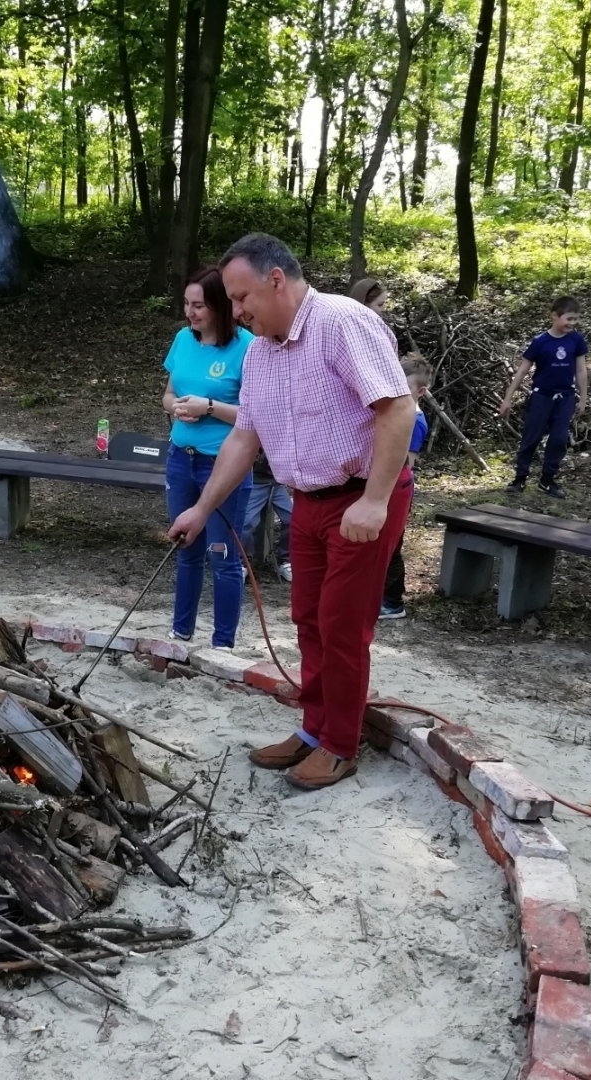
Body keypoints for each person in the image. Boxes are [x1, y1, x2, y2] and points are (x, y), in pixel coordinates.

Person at [168, 234, 416, 791]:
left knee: (341, 624)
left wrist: (374, 501)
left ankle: (341, 745)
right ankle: (313, 728)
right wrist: (202, 510)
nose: (236, 311)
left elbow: (398, 409)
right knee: (307, 617)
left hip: (360, 497)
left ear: (276, 280)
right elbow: (243, 438)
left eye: (241, 297)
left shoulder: (342, 323)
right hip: (306, 501)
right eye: (230, 302)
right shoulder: (260, 352)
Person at [161, 265, 254, 645]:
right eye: (186, 303)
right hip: (181, 458)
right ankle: (181, 632)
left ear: (219, 305)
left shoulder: (247, 347)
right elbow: (167, 394)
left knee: (223, 557)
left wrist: (210, 406)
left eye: (199, 305)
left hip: (223, 466)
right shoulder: (183, 339)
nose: (190, 312)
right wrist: (177, 407)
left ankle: (222, 643)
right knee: (184, 547)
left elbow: (254, 415)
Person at [500, 296, 589, 498]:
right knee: (531, 437)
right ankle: (520, 478)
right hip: (542, 397)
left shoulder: (576, 340)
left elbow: (581, 370)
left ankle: (547, 480)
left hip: (565, 398)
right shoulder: (540, 342)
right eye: (569, 318)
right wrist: (508, 398)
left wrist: (582, 398)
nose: (572, 324)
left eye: (576, 319)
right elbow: (522, 371)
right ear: (554, 316)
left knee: (558, 440)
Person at [380, 353, 434, 619]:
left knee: (392, 548)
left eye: (406, 386)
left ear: (420, 391)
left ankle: (392, 602)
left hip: (396, 491)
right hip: (385, 489)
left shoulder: (414, 420)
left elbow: (406, 464)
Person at [239, 452, 292, 581]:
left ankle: (285, 561)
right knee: (247, 521)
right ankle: (242, 563)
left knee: (293, 517)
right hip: (255, 481)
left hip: (277, 483)